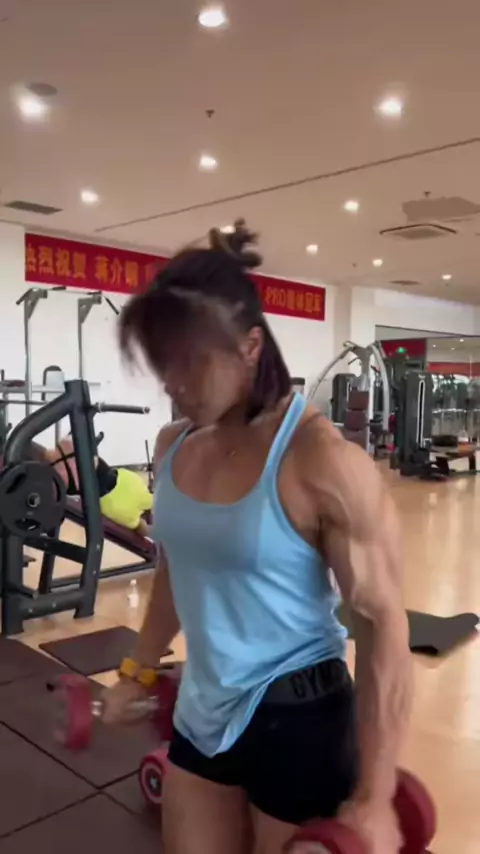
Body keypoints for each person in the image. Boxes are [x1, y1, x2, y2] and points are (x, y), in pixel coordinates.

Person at [103, 220, 412, 854]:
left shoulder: (320, 460)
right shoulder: (174, 445)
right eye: (162, 363)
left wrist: (376, 796)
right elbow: (175, 574)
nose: (172, 382)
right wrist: (137, 668)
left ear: (250, 347)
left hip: (300, 720)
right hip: (202, 712)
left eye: (190, 361)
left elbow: (383, 627)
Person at [32, 436, 153, 537]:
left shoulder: (136, 492)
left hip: (111, 484)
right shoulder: (131, 512)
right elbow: (144, 529)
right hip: (108, 493)